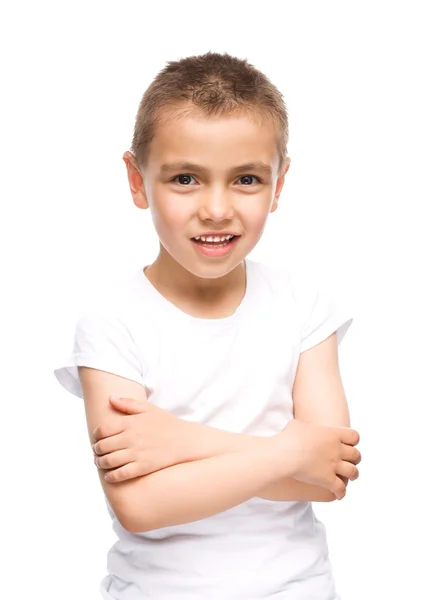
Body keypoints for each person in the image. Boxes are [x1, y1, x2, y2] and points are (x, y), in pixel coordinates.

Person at [54, 51, 362, 600]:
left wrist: (179, 440)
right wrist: (292, 450)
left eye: (245, 178)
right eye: (186, 179)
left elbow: (329, 475)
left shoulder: (304, 303)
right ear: (137, 179)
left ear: (279, 182)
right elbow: (142, 505)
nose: (217, 209)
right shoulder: (112, 322)